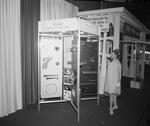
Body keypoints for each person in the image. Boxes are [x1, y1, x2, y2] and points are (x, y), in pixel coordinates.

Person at [104, 49, 122, 115]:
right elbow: (108, 70)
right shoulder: (109, 62)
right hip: (109, 80)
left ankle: (111, 108)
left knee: (112, 94)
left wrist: (118, 82)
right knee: (113, 94)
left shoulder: (119, 64)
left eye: (112, 54)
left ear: (116, 56)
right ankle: (115, 106)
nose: (110, 55)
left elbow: (119, 74)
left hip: (115, 81)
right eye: (110, 54)